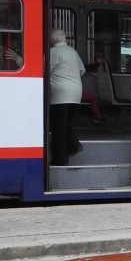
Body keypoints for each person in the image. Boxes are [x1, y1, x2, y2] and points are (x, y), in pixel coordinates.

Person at [48, 28, 86, 166]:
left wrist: (18, 59)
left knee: (57, 128)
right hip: (76, 94)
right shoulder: (72, 51)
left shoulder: (52, 53)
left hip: (59, 96)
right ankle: (73, 145)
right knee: (65, 124)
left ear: (52, 40)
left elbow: (41, 70)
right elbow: (82, 70)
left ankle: (60, 160)